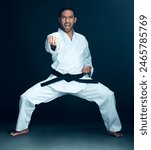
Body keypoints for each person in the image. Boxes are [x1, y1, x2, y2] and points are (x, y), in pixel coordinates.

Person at [10, 7, 123, 137]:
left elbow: (87, 58)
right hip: (57, 81)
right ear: (59, 20)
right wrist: (52, 45)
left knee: (108, 95)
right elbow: (52, 46)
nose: (67, 20)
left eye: (70, 17)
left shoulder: (82, 39)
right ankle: (22, 128)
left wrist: (88, 67)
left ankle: (113, 128)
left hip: (81, 81)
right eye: (64, 17)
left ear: (75, 20)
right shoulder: (54, 36)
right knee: (26, 97)